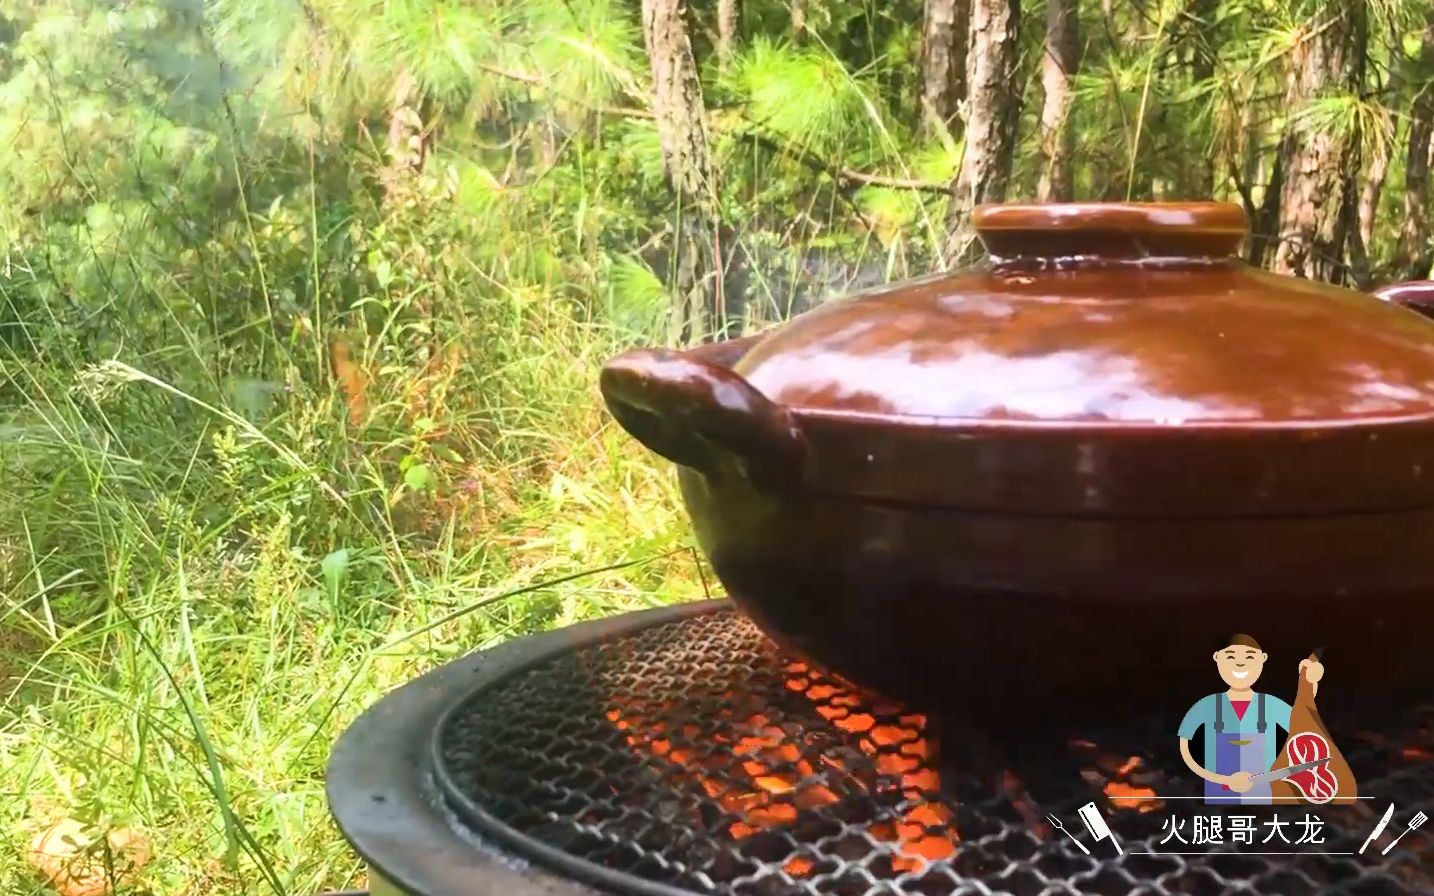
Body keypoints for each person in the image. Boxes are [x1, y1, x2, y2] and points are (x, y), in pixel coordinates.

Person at [1177, 634, 1324, 805]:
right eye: (1231, 657)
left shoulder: (1270, 705)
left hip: (1264, 799)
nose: (1240, 663)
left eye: (1249, 657)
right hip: (1217, 801)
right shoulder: (1205, 707)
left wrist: (1310, 685)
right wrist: (1222, 779)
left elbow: (1302, 722)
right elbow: (1187, 752)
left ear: (1262, 659)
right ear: (1217, 658)